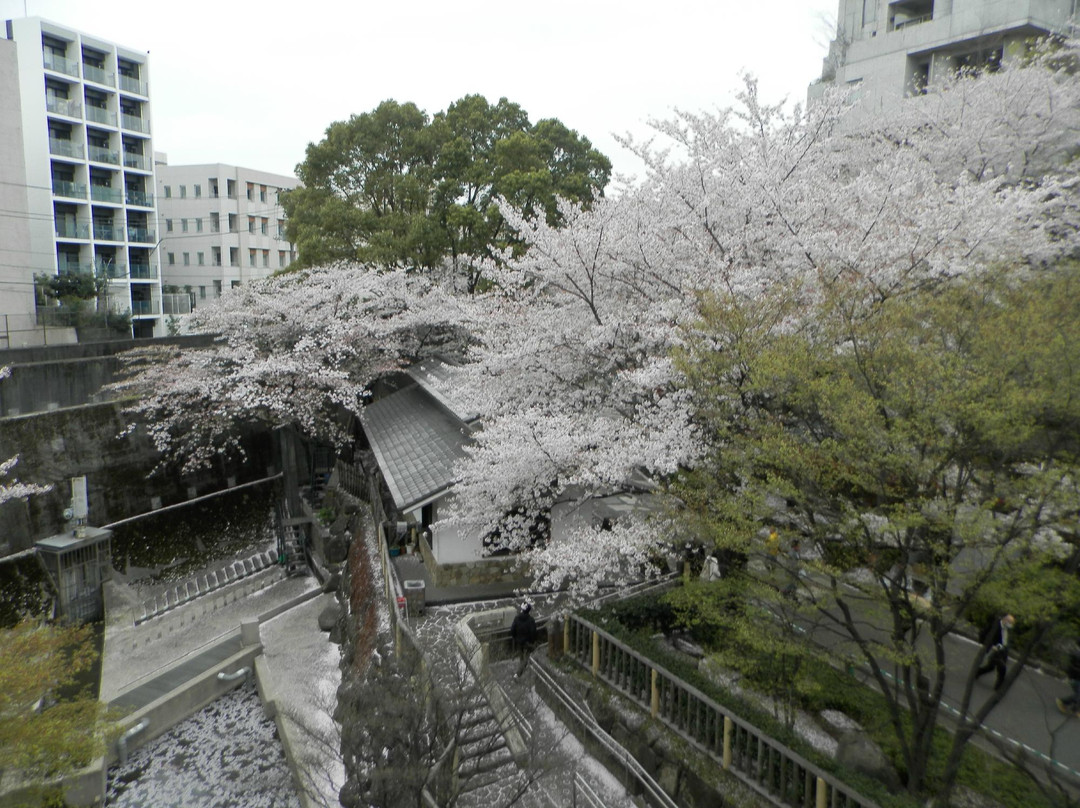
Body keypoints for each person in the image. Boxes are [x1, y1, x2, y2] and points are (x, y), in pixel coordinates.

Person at [975, 613, 1016, 690]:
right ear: (1005, 620)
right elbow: (983, 634)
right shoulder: (995, 626)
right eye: (1010, 622)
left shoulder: (1007, 629)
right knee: (1002, 668)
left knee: (991, 667)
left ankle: (977, 672)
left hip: (1002, 650)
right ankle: (999, 686)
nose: (1010, 625)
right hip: (995, 650)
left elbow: (1005, 640)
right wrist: (991, 646)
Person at [509, 602, 538, 677]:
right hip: (527, 642)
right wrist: (532, 641)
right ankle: (518, 674)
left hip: (519, 641)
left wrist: (515, 637)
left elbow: (512, 630)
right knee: (526, 657)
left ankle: (520, 670)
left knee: (521, 657)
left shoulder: (517, 618)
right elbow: (533, 632)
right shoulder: (531, 620)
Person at [1056, 639, 1080, 717]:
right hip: (1076, 679)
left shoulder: (1076, 653)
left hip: (1075, 677)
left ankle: (1075, 709)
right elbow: (1075, 668)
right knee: (1078, 695)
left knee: (1078, 695)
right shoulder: (1077, 655)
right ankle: (1063, 702)